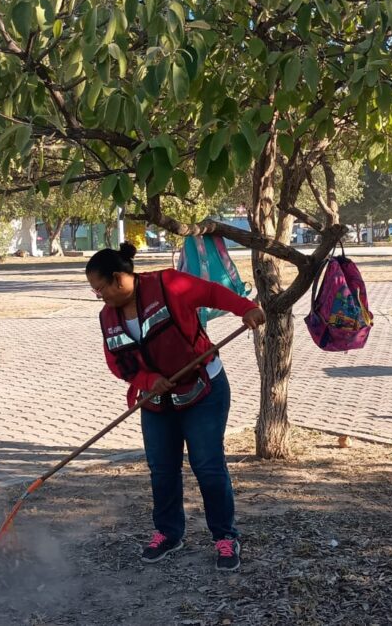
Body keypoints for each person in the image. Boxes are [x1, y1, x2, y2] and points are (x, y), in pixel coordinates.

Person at [86, 242, 265, 572]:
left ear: (118, 279)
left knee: (207, 466)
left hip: (203, 390)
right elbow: (116, 363)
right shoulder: (107, 317)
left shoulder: (168, 284)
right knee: (162, 469)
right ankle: (169, 533)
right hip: (156, 401)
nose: (100, 297)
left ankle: (225, 537)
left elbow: (212, 293)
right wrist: (147, 379)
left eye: (100, 289)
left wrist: (246, 308)